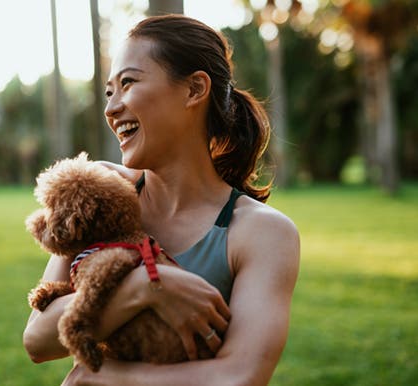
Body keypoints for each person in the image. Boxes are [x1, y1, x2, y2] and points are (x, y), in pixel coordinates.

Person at [23, 14, 300, 386]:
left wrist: (102, 375)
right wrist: (147, 288)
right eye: (109, 92)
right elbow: (38, 340)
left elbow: (240, 376)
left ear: (194, 89)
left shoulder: (262, 232)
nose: (111, 108)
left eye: (128, 83)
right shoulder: (99, 195)